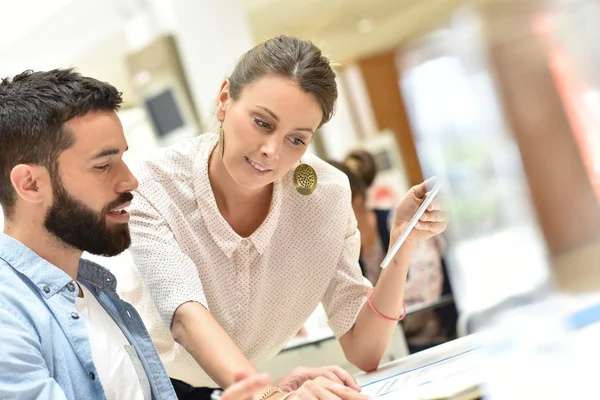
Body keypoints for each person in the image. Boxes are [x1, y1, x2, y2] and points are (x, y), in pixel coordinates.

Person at [0, 69, 365, 400]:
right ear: (30, 184)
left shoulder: (99, 296)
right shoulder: (9, 313)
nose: (129, 180)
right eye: (103, 166)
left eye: (123, 159)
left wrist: (262, 394)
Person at [115, 35, 449, 394]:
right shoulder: (157, 183)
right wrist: (272, 394)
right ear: (225, 99)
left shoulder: (327, 196)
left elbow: (364, 349)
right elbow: (185, 317)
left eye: (297, 139)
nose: (271, 151)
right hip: (144, 388)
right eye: (262, 123)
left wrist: (401, 243)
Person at [335, 154, 448, 352]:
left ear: (358, 199)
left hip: (439, 339)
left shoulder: (397, 224)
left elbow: (424, 292)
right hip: (392, 349)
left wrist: (373, 317)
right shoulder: (348, 252)